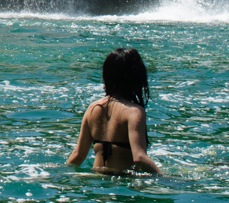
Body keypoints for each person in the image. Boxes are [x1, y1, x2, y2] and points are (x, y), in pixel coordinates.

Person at [67, 47, 162, 175]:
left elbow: (78, 156)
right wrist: (166, 179)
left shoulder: (92, 109)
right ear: (136, 77)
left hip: (97, 183)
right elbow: (139, 158)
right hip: (123, 183)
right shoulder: (133, 112)